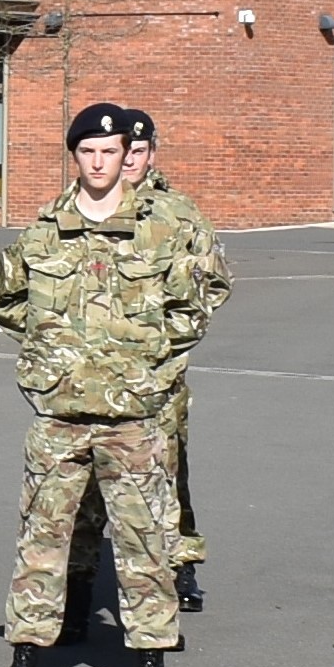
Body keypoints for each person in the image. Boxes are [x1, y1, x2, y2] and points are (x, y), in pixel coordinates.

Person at [0, 103, 222, 667]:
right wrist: (52, 349)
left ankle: (150, 664)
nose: (98, 162)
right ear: (76, 157)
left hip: (132, 416)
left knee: (143, 544)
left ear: (126, 157)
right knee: (41, 541)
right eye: (87, 152)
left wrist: (141, 362)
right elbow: (6, 299)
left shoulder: (160, 230)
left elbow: (190, 308)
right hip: (59, 414)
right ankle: (25, 660)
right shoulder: (43, 232)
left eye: (109, 151)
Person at [123, 108, 220, 608]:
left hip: (162, 372)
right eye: (126, 152)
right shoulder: (87, 208)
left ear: (151, 154)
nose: (130, 163)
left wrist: (172, 338)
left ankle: (180, 562)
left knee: (169, 468)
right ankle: (82, 575)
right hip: (101, 375)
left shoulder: (179, 212)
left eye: (140, 153)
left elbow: (215, 282)